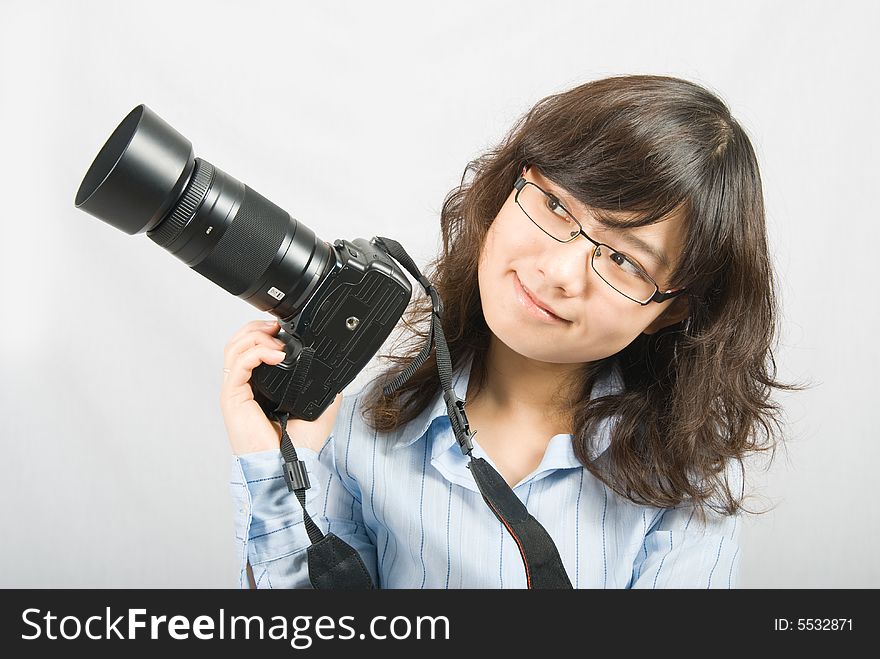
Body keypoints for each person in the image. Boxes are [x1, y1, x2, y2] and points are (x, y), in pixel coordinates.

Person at [221, 74, 791, 589]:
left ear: (669, 311)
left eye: (625, 261)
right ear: (507, 189)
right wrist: (274, 473)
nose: (561, 273)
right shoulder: (360, 425)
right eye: (556, 207)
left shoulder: (686, 475)